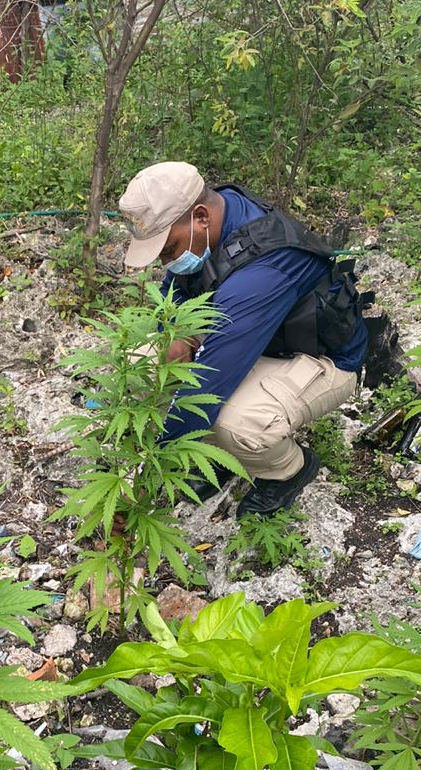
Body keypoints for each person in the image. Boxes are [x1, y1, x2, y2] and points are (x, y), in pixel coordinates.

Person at [119, 161, 371, 517]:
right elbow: (175, 290)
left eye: (168, 248)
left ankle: (286, 471)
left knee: (236, 422)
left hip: (318, 357)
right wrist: (176, 334)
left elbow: (205, 388)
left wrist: (144, 475)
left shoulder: (265, 270)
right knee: (139, 362)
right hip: (251, 337)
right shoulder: (218, 214)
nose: (165, 259)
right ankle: (215, 458)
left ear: (201, 217)